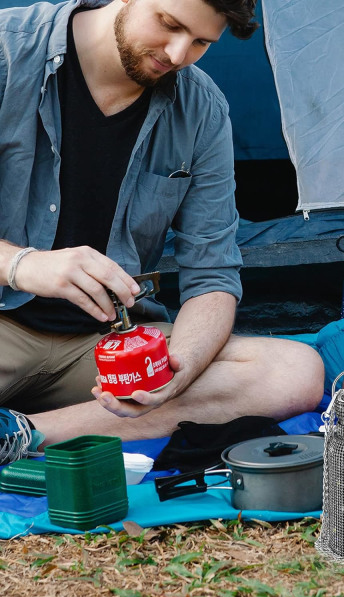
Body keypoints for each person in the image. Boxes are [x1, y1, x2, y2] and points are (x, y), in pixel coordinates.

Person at [0, 0, 324, 464]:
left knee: (293, 371)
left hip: (108, 344)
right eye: (169, 25)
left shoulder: (202, 109)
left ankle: (22, 433)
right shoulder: (7, 52)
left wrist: (180, 368)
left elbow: (212, 276)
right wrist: (21, 265)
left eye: (200, 43)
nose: (176, 54)